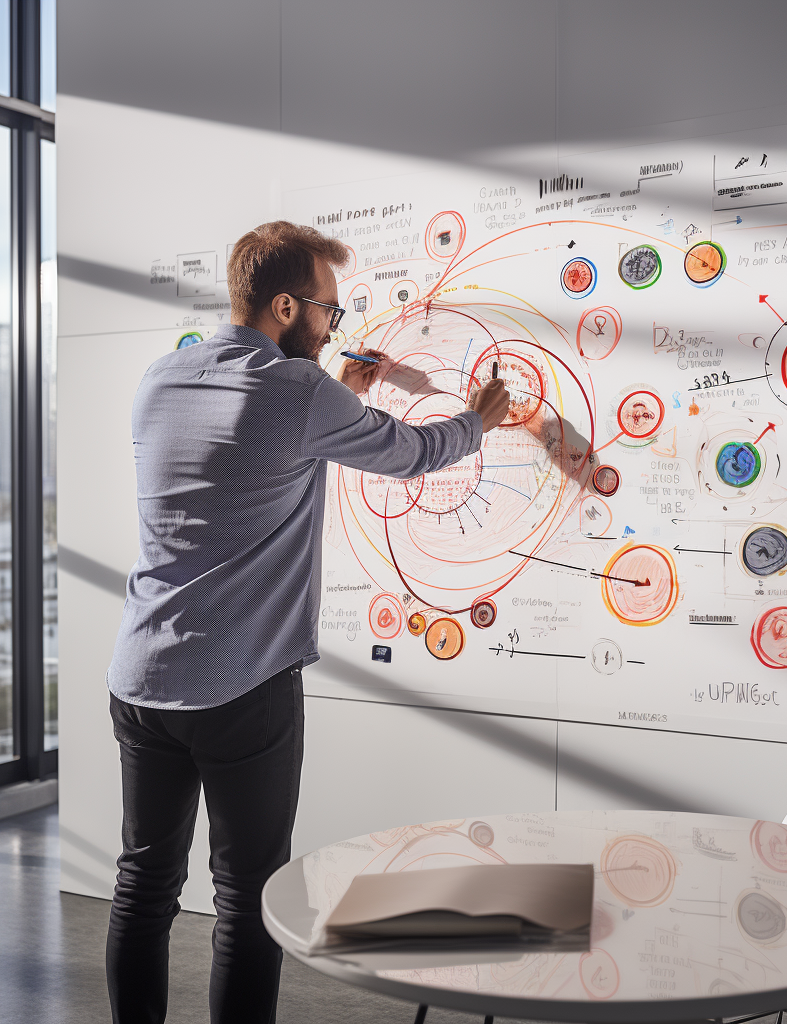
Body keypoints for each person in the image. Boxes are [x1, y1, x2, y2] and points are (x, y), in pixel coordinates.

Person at [104, 220, 510, 1024]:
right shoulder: (298, 392)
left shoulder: (161, 378)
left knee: (142, 884)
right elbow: (414, 453)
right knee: (248, 899)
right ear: (286, 306)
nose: (334, 331)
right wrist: (481, 420)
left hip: (141, 681)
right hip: (242, 691)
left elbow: (236, 458)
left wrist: (332, 403)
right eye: (329, 313)